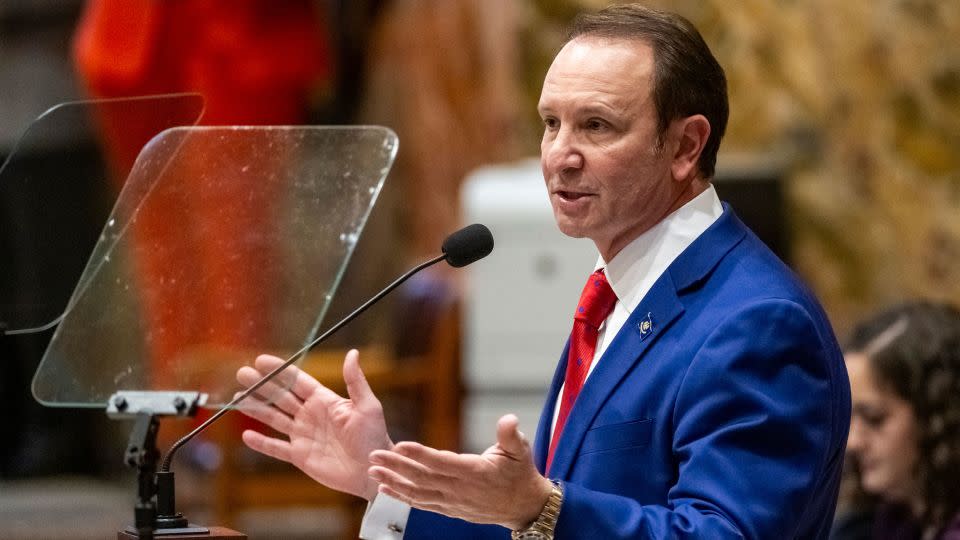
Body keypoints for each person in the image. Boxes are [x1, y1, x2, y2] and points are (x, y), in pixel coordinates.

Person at [235, 4, 851, 538]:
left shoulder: (759, 323)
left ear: (687, 147)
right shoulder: (618, 294)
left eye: (596, 125)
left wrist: (542, 506)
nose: (560, 154)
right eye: (551, 123)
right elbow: (538, 531)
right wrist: (386, 481)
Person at [832, 301, 960, 540]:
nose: (853, 442)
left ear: (934, 415)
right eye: (849, 417)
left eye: (874, 418)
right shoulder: (875, 522)